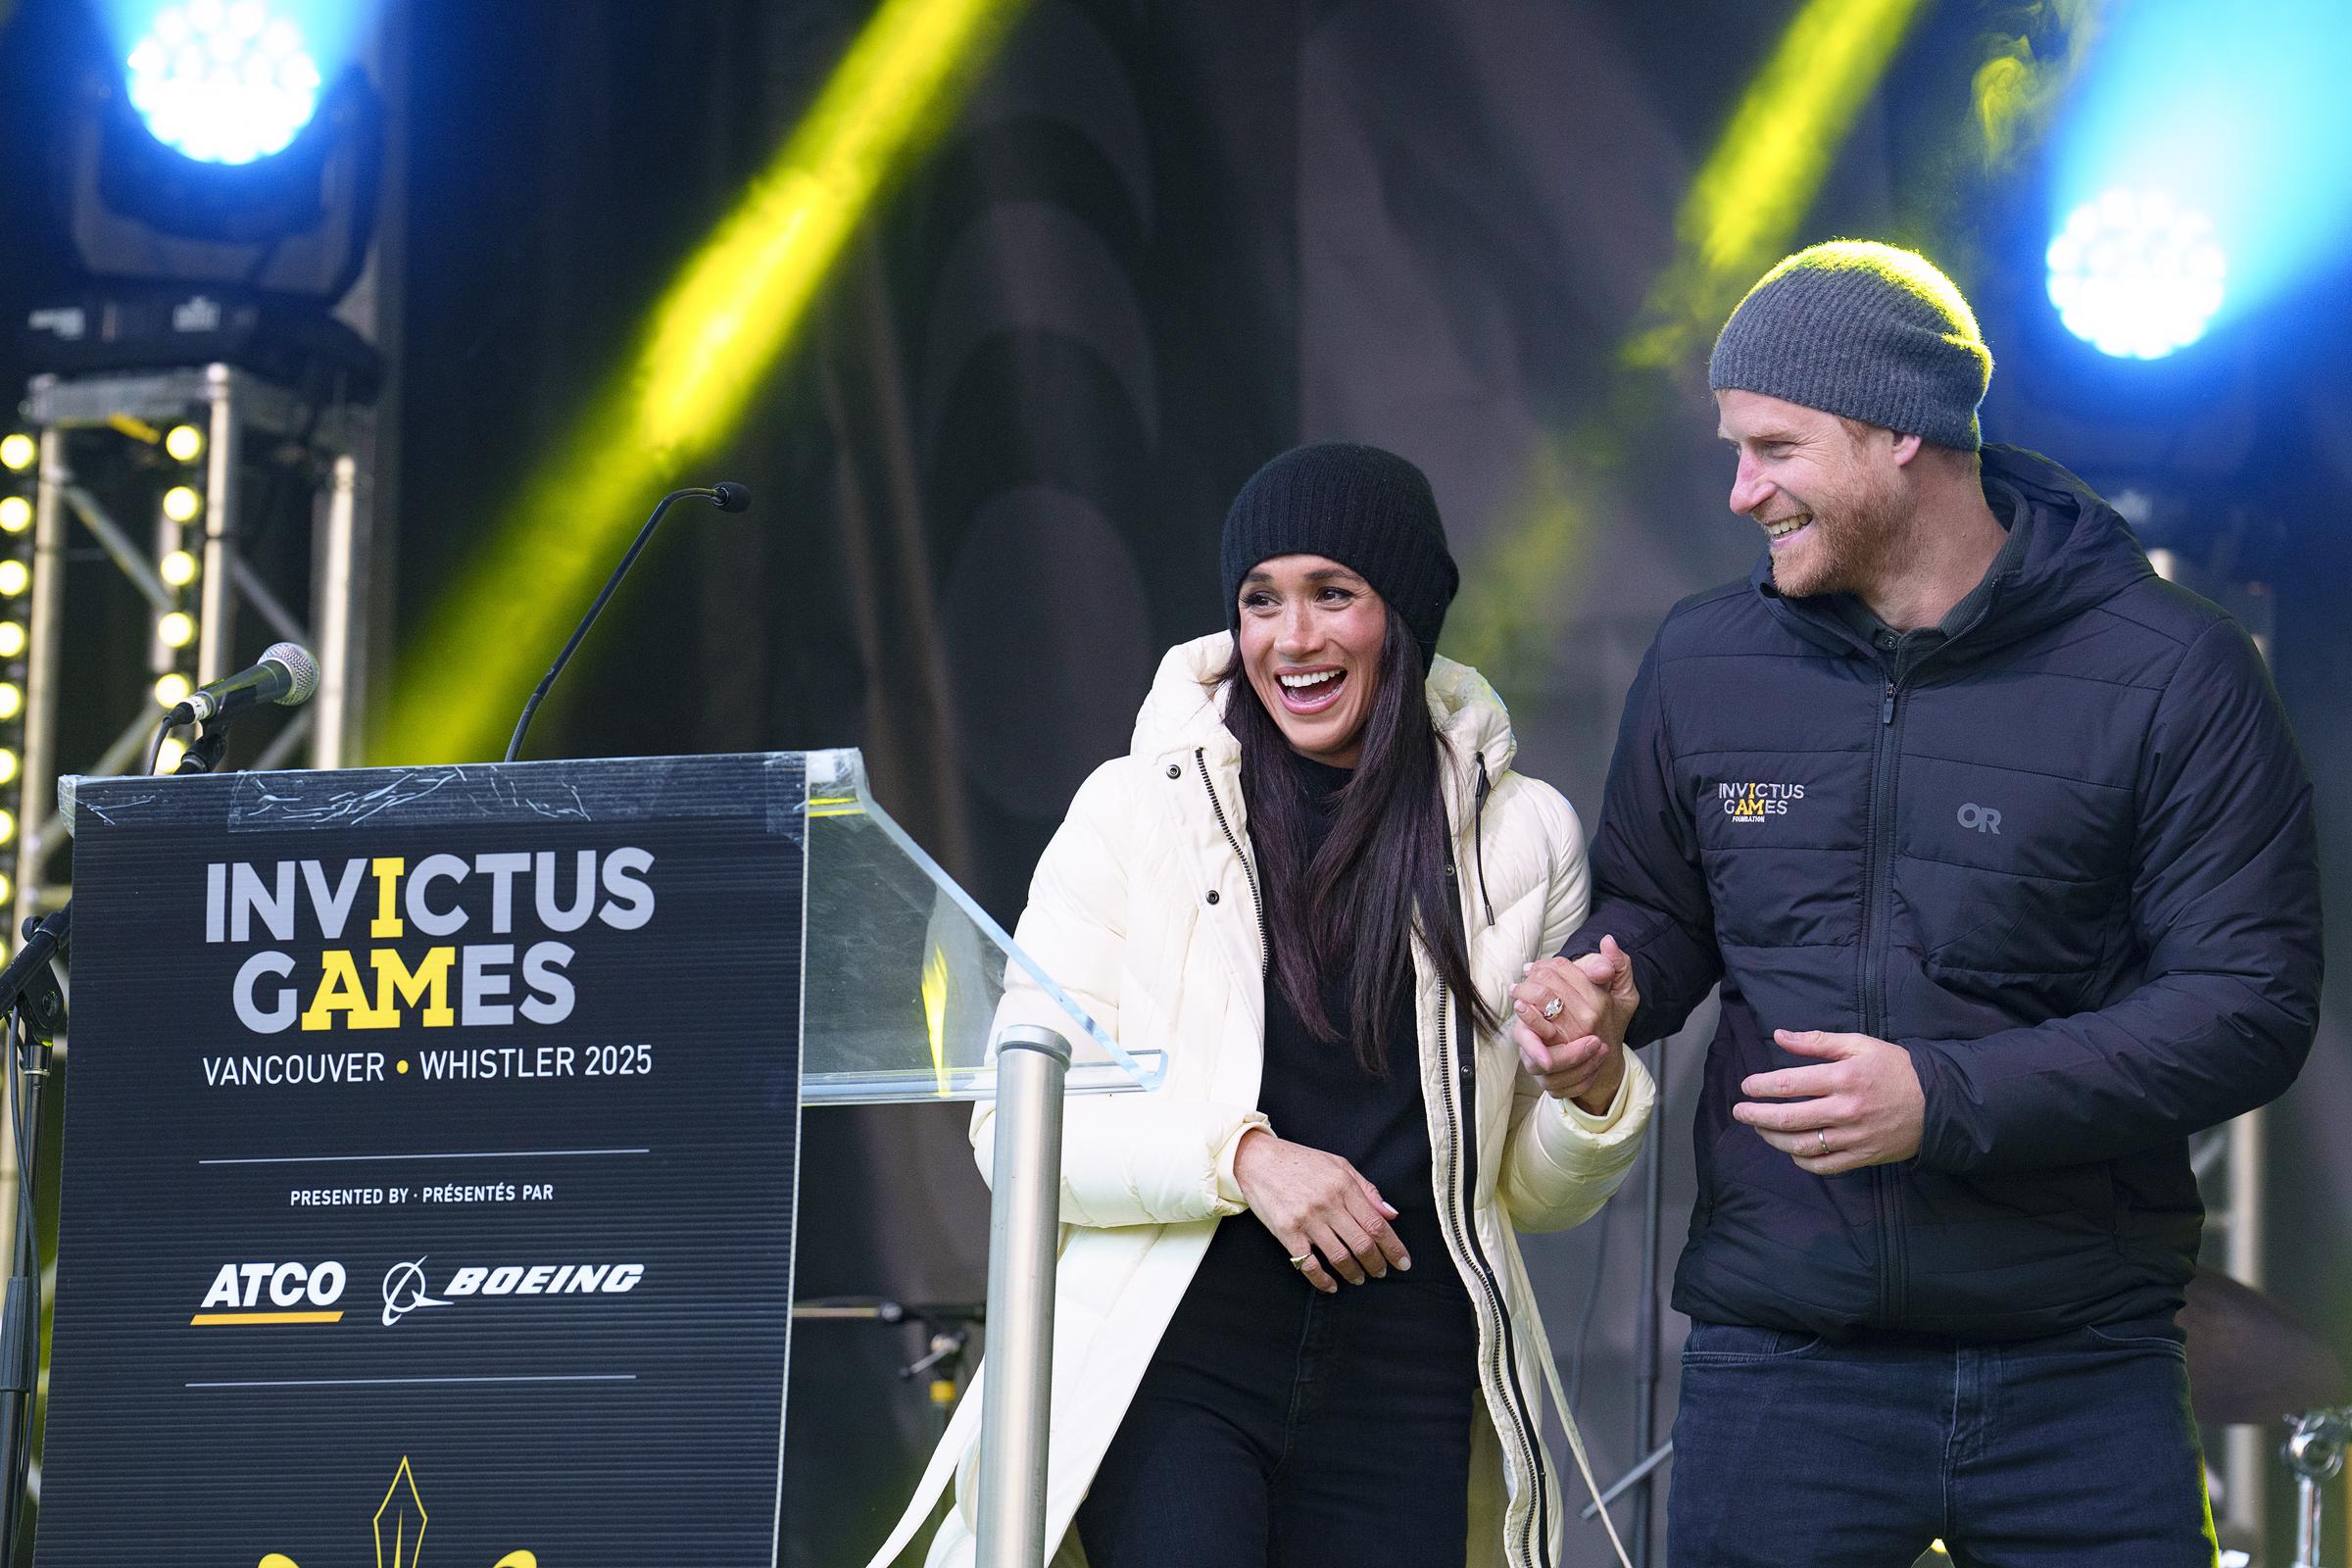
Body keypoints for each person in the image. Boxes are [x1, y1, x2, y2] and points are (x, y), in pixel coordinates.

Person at [1507, 240, 2323, 1566]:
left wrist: (1944, 1099)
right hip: (1785, 1366)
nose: (1738, 490)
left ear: (1899, 432)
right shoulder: (1705, 660)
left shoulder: (2176, 674)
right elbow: (1658, 910)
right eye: (1733, 447)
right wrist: (1613, 991)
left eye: (1774, 449)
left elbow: (2249, 1010)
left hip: (2080, 1371)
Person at [866, 441, 1655, 1568]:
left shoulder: (1523, 833)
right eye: (1261, 600)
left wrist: (1589, 1090)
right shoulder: (1132, 810)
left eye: (1334, 593)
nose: (1293, 639)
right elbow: (1018, 1127)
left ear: (1407, 612)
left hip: (1406, 1368)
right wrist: (1242, 1158)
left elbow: (1517, 1190)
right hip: (1180, 1354)